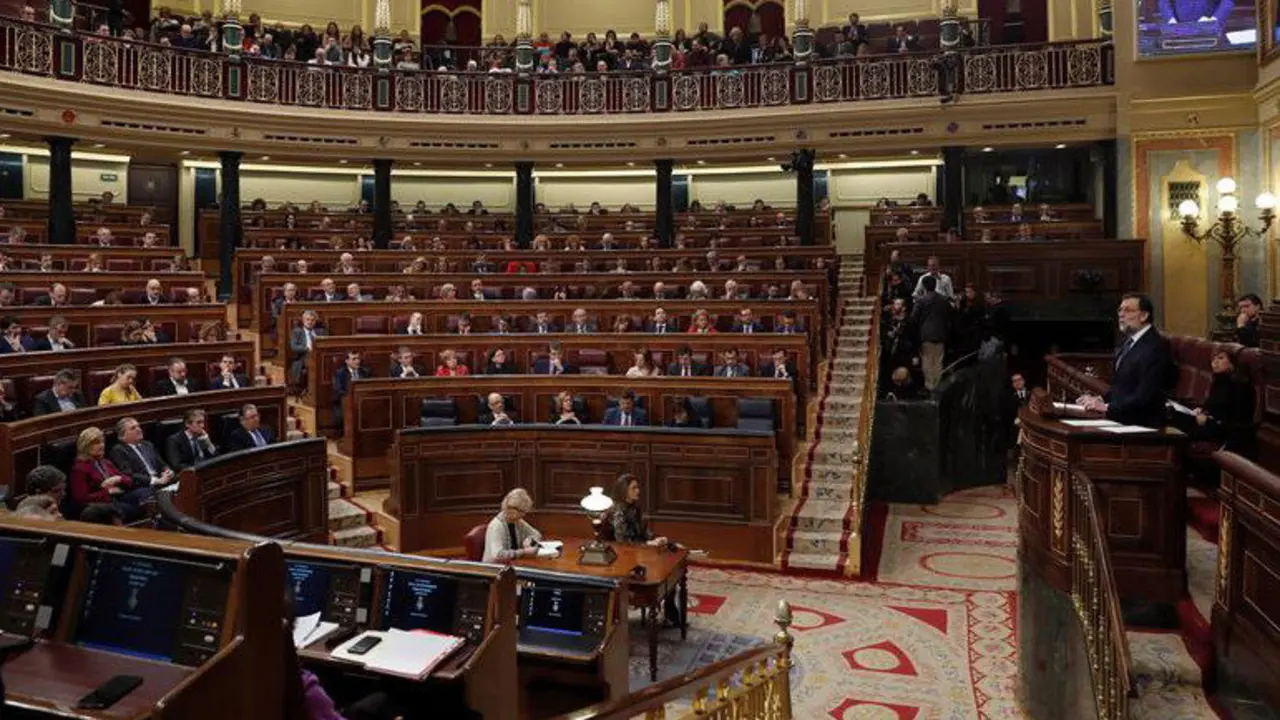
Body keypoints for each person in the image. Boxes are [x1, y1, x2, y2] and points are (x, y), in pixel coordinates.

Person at [1078, 293, 1174, 427]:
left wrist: (1107, 408)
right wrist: (1100, 399)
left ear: (1144, 316)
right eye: (1120, 310)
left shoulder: (1155, 347)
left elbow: (1145, 396)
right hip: (1122, 417)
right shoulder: (1130, 341)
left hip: (1141, 424)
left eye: (1128, 310)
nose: (1121, 315)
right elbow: (1122, 386)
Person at [608, 473, 681, 623]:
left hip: (641, 552)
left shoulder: (635, 509)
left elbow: (644, 531)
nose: (638, 491)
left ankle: (670, 612)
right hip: (627, 557)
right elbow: (623, 543)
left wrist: (656, 539)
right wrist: (648, 545)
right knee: (662, 568)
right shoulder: (617, 512)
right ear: (623, 490)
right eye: (634, 488)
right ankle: (661, 606)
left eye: (638, 487)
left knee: (671, 566)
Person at [1172, 349, 1256, 457]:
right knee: (1174, 414)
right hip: (1210, 424)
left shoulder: (1241, 386)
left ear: (1232, 363)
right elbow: (1213, 406)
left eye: (1220, 358)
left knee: (1178, 424)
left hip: (1225, 432)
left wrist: (1207, 421)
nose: (1215, 362)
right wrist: (1202, 410)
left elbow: (1236, 422)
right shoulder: (1219, 381)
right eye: (1213, 360)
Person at [69, 427, 147, 521]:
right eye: (97, 443)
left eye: (102, 442)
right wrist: (107, 492)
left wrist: (118, 479)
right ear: (85, 446)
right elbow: (80, 498)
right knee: (136, 509)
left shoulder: (105, 462)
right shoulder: (80, 469)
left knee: (146, 494)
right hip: (103, 504)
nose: (102, 445)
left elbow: (128, 480)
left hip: (120, 496)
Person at [108, 417, 175, 491]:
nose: (139, 429)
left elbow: (161, 464)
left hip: (161, 481)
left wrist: (168, 471)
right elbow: (129, 474)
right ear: (122, 436)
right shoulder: (118, 450)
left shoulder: (147, 444)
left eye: (138, 426)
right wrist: (155, 481)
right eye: (133, 428)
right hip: (143, 486)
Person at [482, 488, 543, 562]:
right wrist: (523, 552)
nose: (523, 515)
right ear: (511, 508)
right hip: (494, 569)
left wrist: (530, 539)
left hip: (512, 564)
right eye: (522, 511)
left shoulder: (517, 522)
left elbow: (537, 534)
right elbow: (498, 555)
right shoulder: (497, 526)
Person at [912, 275, 950, 392]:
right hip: (941, 334)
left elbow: (914, 318)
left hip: (926, 335)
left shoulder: (921, 301)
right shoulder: (943, 300)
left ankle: (929, 387)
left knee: (927, 361)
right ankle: (937, 387)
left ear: (924, 286)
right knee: (938, 361)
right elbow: (950, 317)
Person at [333, 351, 371, 432]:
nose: (357, 361)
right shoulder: (340, 373)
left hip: (362, 402)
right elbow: (338, 390)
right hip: (345, 403)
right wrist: (350, 397)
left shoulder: (365, 371)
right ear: (347, 361)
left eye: (358, 358)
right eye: (354, 359)